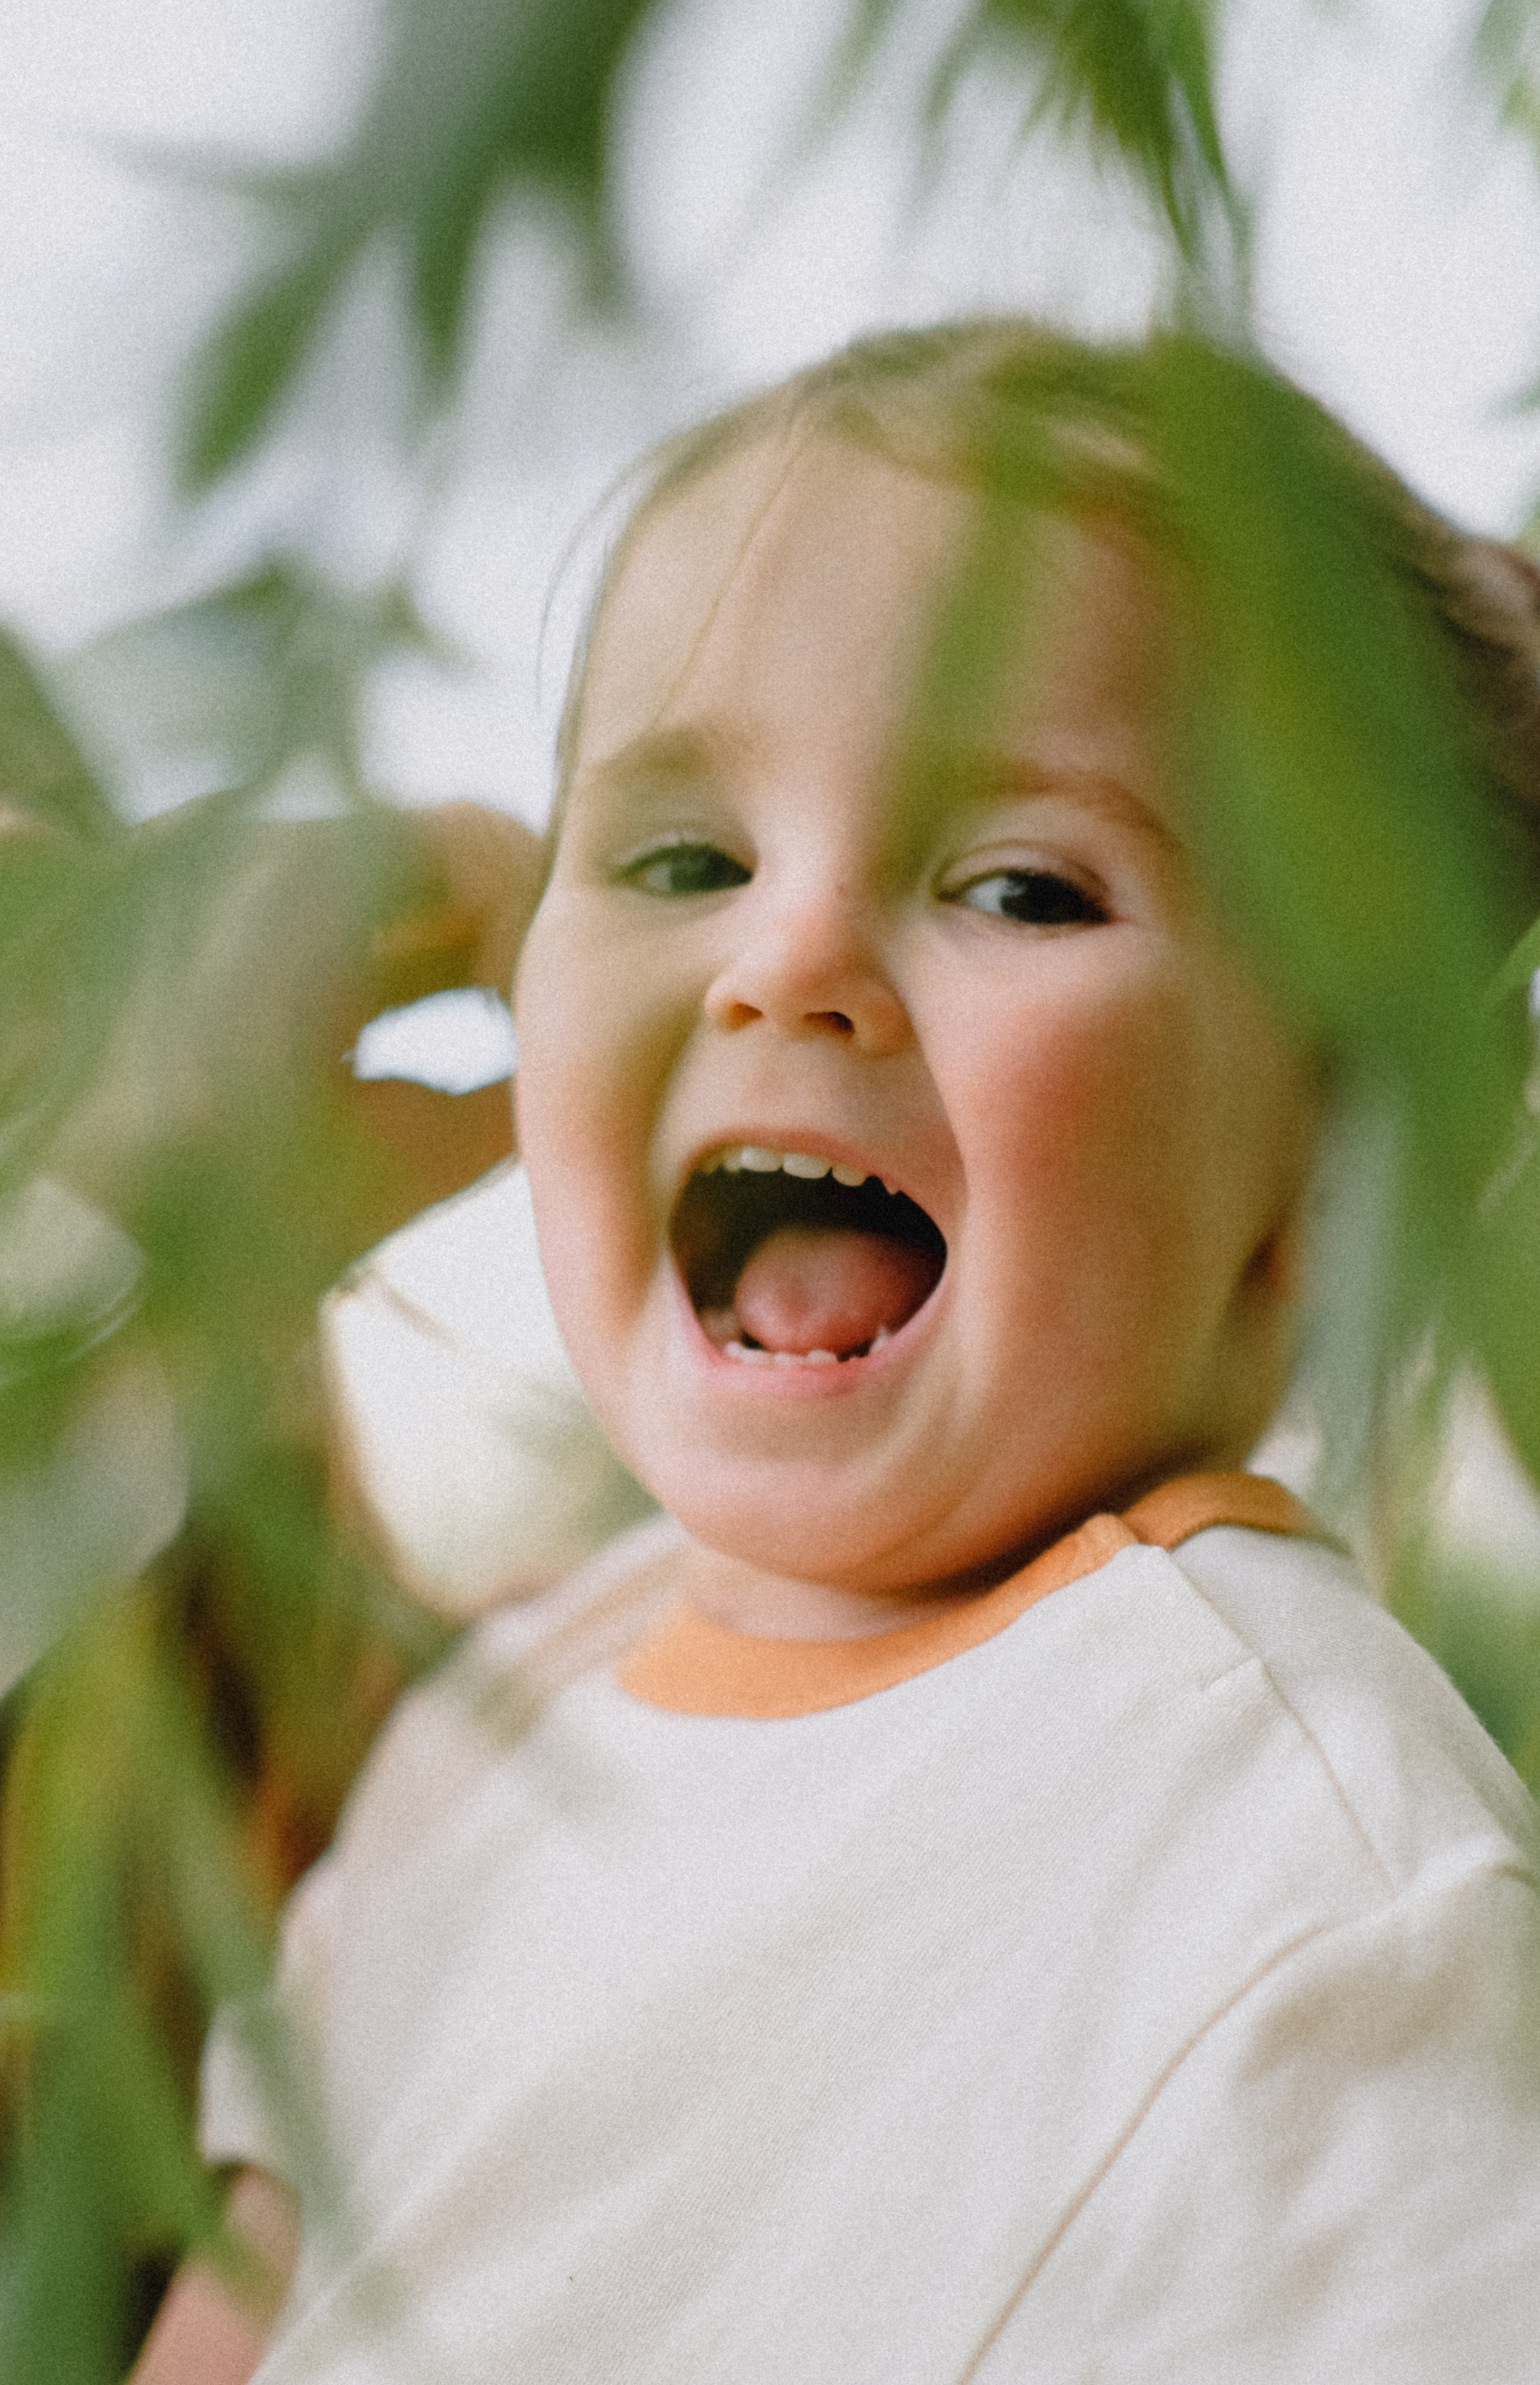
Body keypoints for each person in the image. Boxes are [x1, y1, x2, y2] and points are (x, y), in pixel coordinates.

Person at [135, 321, 1540, 2381]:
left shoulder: (1314, 1885)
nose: (787, 961)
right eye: (681, 860)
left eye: (1023, 888)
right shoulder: (486, 1727)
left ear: (1343, 1154)